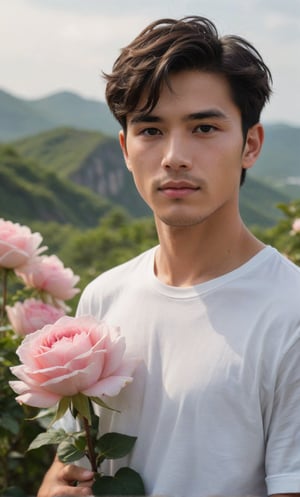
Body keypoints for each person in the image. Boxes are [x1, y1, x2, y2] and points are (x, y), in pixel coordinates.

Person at [37, 15, 300, 497]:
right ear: (125, 148)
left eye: (203, 127)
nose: (174, 156)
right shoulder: (103, 298)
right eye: (151, 130)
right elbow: (72, 465)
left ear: (251, 145)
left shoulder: (291, 311)